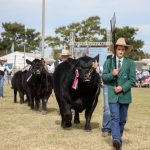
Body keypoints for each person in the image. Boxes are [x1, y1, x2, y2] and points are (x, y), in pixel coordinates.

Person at [102, 37, 136, 150]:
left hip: (125, 96)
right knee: (114, 118)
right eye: (118, 49)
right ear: (115, 50)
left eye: (122, 49)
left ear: (125, 50)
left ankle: (118, 137)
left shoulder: (130, 63)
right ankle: (116, 139)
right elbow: (104, 78)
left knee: (122, 120)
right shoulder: (108, 62)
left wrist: (122, 87)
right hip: (113, 96)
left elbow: (132, 80)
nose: (120, 51)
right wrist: (112, 74)